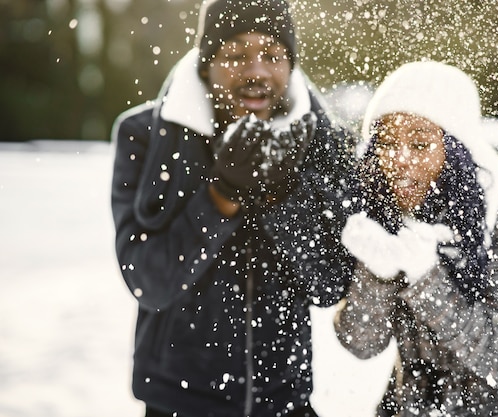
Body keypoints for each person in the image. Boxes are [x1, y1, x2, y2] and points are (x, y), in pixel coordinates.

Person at [110, 1, 358, 416]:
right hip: (178, 402)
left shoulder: (320, 141)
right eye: (237, 55)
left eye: (273, 55)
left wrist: (282, 200)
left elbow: (329, 284)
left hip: (284, 401)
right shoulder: (145, 136)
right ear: (207, 65)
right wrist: (220, 196)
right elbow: (148, 280)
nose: (257, 71)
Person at [334, 61, 498, 417]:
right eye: (386, 142)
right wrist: (377, 272)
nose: (399, 160)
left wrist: (426, 278)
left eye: (420, 144)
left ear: (457, 148)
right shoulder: (380, 210)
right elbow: (362, 343)